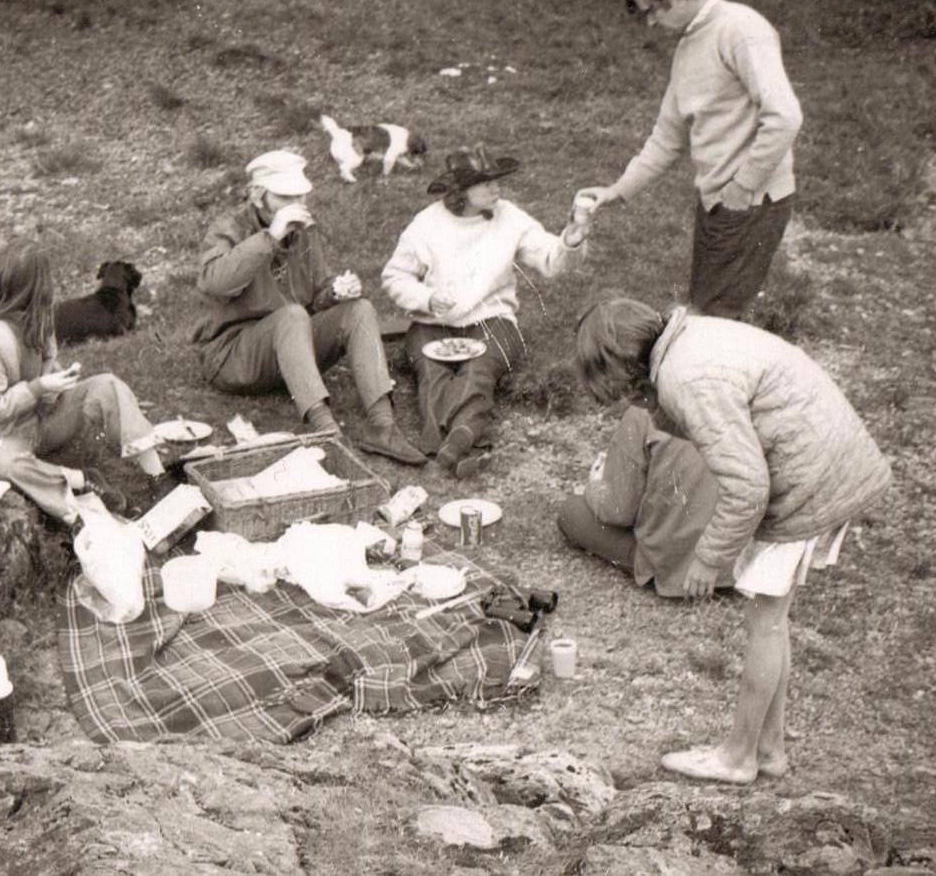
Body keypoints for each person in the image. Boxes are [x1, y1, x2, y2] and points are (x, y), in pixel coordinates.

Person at [573, 297, 890, 783]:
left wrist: (708, 557)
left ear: (619, 367)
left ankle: (738, 758)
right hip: (828, 456)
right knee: (774, 619)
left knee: (765, 623)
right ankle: (769, 750)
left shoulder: (687, 378)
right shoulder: (688, 339)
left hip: (809, 478)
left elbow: (747, 486)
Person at [578, 0, 803, 318]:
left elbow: (785, 116)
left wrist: (744, 185)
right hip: (717, 201)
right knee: (708, 308)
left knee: (715, 317)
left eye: (653, 10)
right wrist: (617, 191)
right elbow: (667, 138)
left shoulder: (741, 29)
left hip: (750, 203)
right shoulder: (689, 45)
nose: (650, 23)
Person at [192, 150, 425, 465]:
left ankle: (383, 426)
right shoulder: (229, 227)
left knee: (359, 309)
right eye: (285, 196)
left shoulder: (302, 229)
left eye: (300, 195)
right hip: (234, 357)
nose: (297, 204)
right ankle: (326, 432)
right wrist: (271, 236)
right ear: (259, 196)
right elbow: (214, 283)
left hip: (291, 350)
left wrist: (335, 292)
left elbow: (315, 298)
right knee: (291, 315)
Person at [381, 146, 589, 479]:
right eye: (484, 182)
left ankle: (447, 450)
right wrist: (427, 298)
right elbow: (394, 277)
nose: (496, 188)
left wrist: (571, 240)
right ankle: (462, 445)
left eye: (497, 180)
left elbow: (551, 260)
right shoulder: (427, 224)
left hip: (492, 320)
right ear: (460, 189)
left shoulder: (510, 217)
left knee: (479, 371)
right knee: (432, 372)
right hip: (434, 322)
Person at [0, 245, 166, 525]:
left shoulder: (36, 321)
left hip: (46, 418)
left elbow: (46, 365)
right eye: (44, 287)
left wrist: (62, 380)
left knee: (107, 385)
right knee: (0, 463)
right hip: (7, 432)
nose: (50, 293)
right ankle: (81, 481)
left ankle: (158, 476)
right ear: (24, 293)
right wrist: (38, 387)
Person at [556, 404, 732, 598]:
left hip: (678, 565)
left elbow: (618, 511)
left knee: (571, 511)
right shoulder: (740, 393)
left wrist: (595, 484)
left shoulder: (645, 410)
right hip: (734, 563)